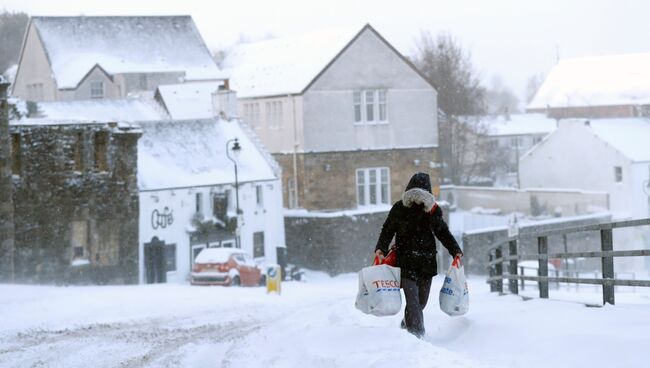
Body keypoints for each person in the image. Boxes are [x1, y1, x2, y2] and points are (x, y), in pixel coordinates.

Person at [375, 172, 463, 338]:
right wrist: (381, 247)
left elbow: (442, 232)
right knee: (414, 301)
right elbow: (388, 229)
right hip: (406, 261)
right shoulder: (399, 208)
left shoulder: (432, 211)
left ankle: (407, 323)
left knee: (420, 302)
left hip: (426, 262)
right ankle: (417, 335)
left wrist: (455, 250)